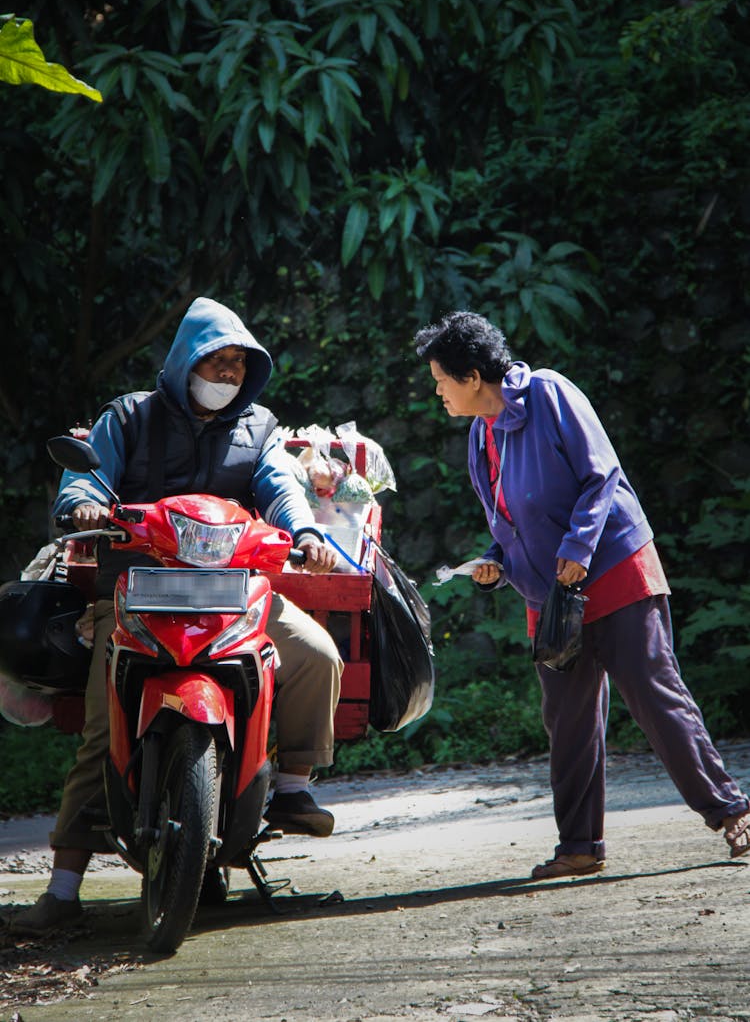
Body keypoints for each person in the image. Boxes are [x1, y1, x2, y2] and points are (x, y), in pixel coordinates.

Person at [13, 296, 343, 933]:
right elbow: (88, 479)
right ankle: (62, 887)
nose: (225, 378)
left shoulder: (259, 428)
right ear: (184, 362)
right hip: (139, 592)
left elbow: (280, 486)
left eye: (236, 369)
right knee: (101, 725)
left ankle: (294, 785)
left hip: (233, 593)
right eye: (214, 364)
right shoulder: (129, 417)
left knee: (315, 656)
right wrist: (82, 504)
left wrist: (304, 533)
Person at [414, 310, 750, 879]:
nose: (438, 393)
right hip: (551, 595)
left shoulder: (548, 392)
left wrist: (578, 547)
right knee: (566, 717)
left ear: (472, 376)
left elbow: (603, 474)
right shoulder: (479, 436)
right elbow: (509, 520)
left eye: (441, 380)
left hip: (614, 565)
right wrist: (495, 561)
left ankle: (732, 810)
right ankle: (579, 846)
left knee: (652, 692)